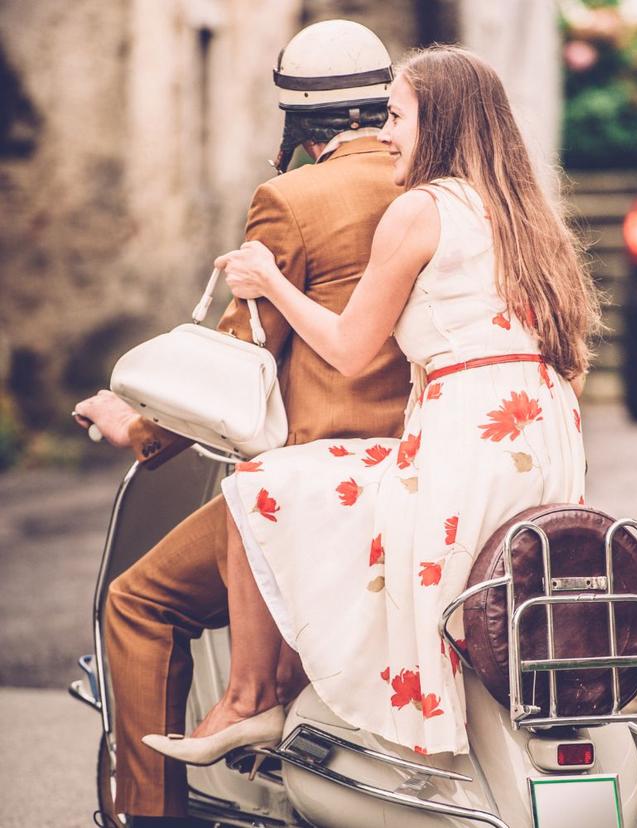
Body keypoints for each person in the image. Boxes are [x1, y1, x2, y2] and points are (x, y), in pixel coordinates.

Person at [142, 44, 599, 768]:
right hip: (542, 453)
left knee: (262, 485)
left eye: (395, 116)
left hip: (465, 451)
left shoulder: (419, 208)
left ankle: (251, 697)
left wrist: (269, 280)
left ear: (439, 124)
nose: (383, 133)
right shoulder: (525, 213)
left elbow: (352, 349)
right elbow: (569, 369)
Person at [74, 20, 411, 826]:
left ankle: (149, 814)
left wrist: (139, 427)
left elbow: (238, 355)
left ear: (298, 116)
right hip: (423, 468)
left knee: (139, 603)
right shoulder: (437, 191)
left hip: (317, 476)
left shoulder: (290, 201)